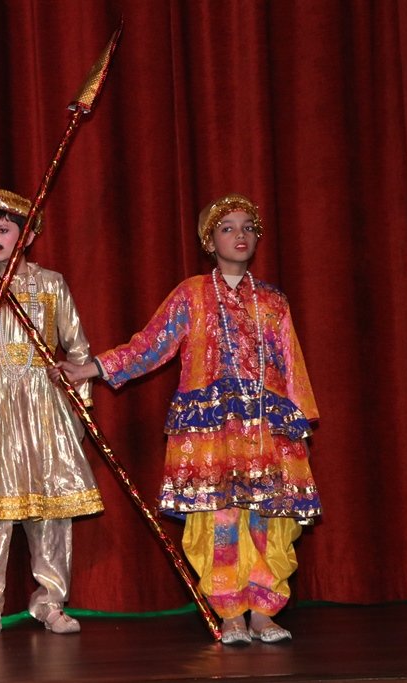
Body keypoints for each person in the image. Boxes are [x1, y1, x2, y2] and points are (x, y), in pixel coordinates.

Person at [55, 193, 320, 646]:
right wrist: (92, 368)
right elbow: (150, 345)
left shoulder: (273, 300)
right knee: (219, 519)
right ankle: (230, 612)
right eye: (227, 228)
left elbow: (291, 363)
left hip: (266, 427)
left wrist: (299, 423)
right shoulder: (192, 294)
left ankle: (264, 611)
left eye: (248, 227)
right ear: (209, 241)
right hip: (211, 430)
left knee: (268, 517)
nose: (239, 235)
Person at [0, 188, 104, 639]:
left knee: (50, 508)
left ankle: (51, 602)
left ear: (27, 235)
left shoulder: (51, 284)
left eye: (4, 229)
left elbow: (77, 348)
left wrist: (80, 407)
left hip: (42, 405)